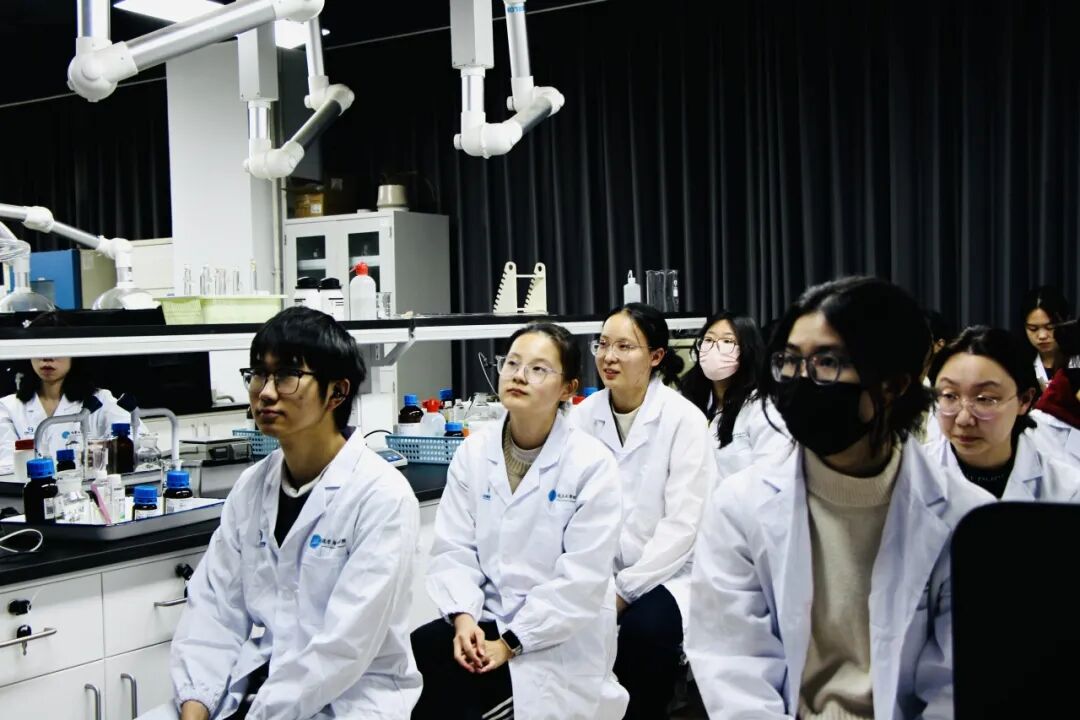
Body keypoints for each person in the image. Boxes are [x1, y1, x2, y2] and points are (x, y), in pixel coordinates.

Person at [687, 277, 993, 720]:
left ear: (893, 385)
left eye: (827, 362)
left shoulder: (965, 517)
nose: (801, 379)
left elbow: (955, 689)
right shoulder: (740, 506)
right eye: (790, 361)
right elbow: (734, 667)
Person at [168, 307, 421, 720]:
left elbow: (342, 648)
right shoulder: (252, 487)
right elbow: (214, 610)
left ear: (336, 392)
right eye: (258, 374)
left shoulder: (381, 497)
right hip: (259, 689)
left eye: (287, 375)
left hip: (350, 702)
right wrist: (195, 706)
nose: (265, 393)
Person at [414, 322, 627, 720]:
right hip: (484, 619)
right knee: (418, 660)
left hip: (557, 638)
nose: (519, 375)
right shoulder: (473, 453)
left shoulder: (591, 464)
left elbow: (580, 580)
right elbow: (454, 549)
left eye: (538, 369)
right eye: (512, 363)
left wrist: (510, 643)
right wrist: (463, 617)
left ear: (568, 388)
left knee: (462, 704)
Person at [571, 302, 714, 719]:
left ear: (655, 356)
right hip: (599, 569)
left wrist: (623, 592)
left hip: (670, 573)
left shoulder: (684, 420)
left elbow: (683, 526)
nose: (608, 357)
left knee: (643, 632)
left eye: (624, 346)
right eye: (602, 344)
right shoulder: (581, 418)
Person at [926, 326, 1080, 501]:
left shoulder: (1067, 489)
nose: (963, 419)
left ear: (1024, 400)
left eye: (984, 399)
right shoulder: (911, 475)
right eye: (949, 396)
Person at [679, 311, 789, 479]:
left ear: (746, 350)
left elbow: (772, 475)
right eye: (709, 340)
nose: (714, 348)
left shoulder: (762, 407)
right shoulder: (688, 397)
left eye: (727, 341)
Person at [0, 356, 130, 470]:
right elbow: (7, 467)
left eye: (56, 350)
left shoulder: (101, 400)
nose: (47, 358)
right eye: (40, 350)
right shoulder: (8, 407)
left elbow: (132, 446)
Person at [1020, 285, 1080, 388]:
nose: (1042, 336)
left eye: (1050, 327)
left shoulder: (1076, 359)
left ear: (1066, 322)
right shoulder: (1018, 364)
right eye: (1033, 329)